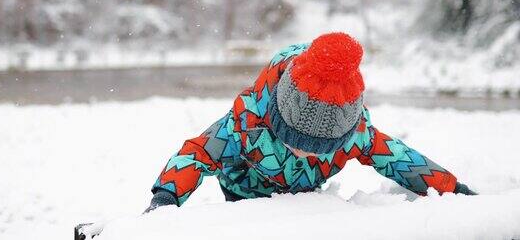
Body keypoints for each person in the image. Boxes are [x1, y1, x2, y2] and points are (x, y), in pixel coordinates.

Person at [145, 32, 476, 212]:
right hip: (245, 196)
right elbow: (196, 154)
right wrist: (165, 199)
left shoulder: (355, 135)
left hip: (304, 197)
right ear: (276, 119)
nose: (304, 153)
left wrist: (452, 189)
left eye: (319, 149)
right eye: (295, 142)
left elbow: (399, 158)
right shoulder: (246, 125)